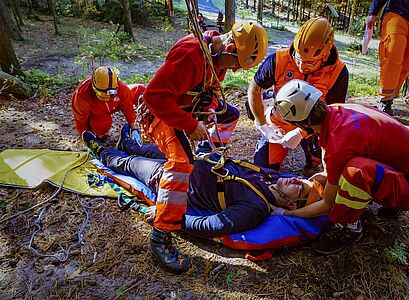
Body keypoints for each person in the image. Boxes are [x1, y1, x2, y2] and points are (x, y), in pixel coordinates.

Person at [141, 21, 268, 273]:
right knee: (181, 165)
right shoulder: (191, 55)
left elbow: (206, 91)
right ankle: (160, 235)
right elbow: (153, 96)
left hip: (183, 110)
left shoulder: (216, 58)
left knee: (228, 114)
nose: (232, 71)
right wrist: (189, 125)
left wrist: (207, 111)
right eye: (235, 63)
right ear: (229, 47)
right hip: (162, 114)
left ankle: (203, 152)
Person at [271, 79, 409, 255]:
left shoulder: (339, 144)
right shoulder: (337, 110)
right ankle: (390, 194)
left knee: (356, 172)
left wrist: (287, 214)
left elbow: (328, 205)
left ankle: (348, 226)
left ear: (301, 123)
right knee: (350, 170)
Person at [81, 129, 322, 238]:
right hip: (189, 161)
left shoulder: (255, 208)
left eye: (299, 188)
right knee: (150, 149)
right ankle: (129, 143)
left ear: (291, 205)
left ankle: (102, 152)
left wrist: (172, 217)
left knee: (129, 164)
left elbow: (213, 225)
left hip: (171, 180)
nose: (296, 180)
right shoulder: (270, 176)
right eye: (302, 181)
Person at [247, 17, 348, 175]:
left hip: (313, 128)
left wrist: (301, 133)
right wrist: (263, 125)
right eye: (298, 59)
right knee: (263, 169)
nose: (301, 67)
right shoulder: (280, 59)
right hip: (280, 123)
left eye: (309, 63)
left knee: (318, 160)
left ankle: (313, 161)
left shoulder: (338, 72)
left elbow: (334, 111)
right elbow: (254, 89)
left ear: (325, 56)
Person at [71, 66, 142, 145]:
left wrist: (134, 128)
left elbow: (128, 107)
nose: (106, 99)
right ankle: (101, 136)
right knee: (101, 126)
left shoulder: (122, 88)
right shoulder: (82, 95)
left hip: (115, 104)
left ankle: (149, 126)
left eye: (109, 96)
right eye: (103, 96)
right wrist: (87, 140)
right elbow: (80, 120)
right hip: (97, 112)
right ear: (94, 88)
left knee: (139, 89)